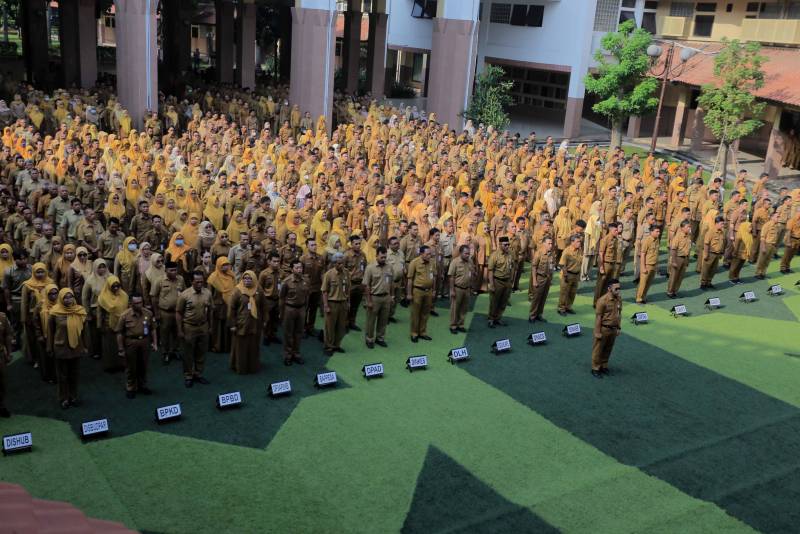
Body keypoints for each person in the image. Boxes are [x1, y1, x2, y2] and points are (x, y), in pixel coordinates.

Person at [47, 288, 88, 408]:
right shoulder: (55, 312)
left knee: (74, 374)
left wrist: (85, 346)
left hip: (76, 348)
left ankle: (73, 396)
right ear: (61, 298)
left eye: (71, 297)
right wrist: (49, 348)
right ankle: (63, 398)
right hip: (61, 348)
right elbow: (50, 332)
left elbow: (84, 332)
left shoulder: (79, 311)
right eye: (65, 297)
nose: (68, 299)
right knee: (62, 375)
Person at [115, 294, 157, 399]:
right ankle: (131, 387)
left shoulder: (148, 313)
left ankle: (143, 385)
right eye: (136, 303)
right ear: (131, 304)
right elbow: (119, 333)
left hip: (145, 342)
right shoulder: (125, 315)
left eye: (140, 302)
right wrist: (121, 348)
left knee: (143, 365)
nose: (139, 305)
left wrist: (155, 343)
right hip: (131, 342)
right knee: (131, 366)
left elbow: (153, 329)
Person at [176, 271, 212, 387]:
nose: (200, 284)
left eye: (201, 281)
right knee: (188, 353)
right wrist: (180, 330)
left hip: (203, 326)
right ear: (191, 281)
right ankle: (188, 375)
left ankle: (198, 373)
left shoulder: (207, 293)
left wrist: (210, 326)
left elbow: (210, 310)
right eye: (197, 282)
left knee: (201, 351)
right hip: (189, 327)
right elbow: (178, 313)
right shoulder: (185, 295)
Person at [228, 270, 263, 374]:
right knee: (241, 346)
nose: (247, 281)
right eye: (245, 278)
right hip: (241, 324)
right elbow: (231, 309)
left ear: (254, 279)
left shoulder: (258, 289)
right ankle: (240, 367)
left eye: (250, 278)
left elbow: (264, 306)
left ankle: (252, 366)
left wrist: (265, 320)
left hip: (255, 324)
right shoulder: (237, 291)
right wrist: (232, 324)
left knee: (253, 345)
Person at [150, 261, 186, 364]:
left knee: (177, 332)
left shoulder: (180, 279)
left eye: (175, 270)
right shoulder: (159, 280)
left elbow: (185, 293)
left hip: (178, 312)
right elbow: (154, 297)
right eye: (171, 270)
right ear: (166, 270)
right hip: (165, 312)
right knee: (164, 334)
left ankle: (175, 350)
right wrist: (156, 313)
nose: (174, 272)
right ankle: (165, 353)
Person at [97, 275, 128, 373]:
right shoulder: (103, 297)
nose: (116, 288)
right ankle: (110, 366)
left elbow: (127, 310)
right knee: (109, 347)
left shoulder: (124, 295)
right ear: (108, 286)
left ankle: (122, 365)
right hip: (108, 325)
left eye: (117, 286)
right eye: (113, 286)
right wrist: (99, 325)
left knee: (121, 345)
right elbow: (100, 313)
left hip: (122, 324)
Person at [363, 246, 393, 348]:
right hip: (374, 297)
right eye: (381, 257)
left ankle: (380, 338)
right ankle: (369, 339)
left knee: (383, 320)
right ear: (376, 256)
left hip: (386, 297)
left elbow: (391, 283)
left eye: (385, 257)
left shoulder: (389, 267)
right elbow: (367, 286)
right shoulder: (370, 268)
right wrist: (369, 301)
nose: (384, 259)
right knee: (371, 320)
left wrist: (391, 296)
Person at [279, 259, 308, 365]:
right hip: (289, 309)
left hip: (301, 309)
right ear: (292, 269)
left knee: (299, 333)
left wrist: (305, 308)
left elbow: (307, 295)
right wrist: (281, 313)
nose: (300, 270)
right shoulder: (286, 282)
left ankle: (296, 353)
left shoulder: (306, 280)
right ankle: (288, 355)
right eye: (297, 268)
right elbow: (282, 298)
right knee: (288, 333)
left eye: (301, 267)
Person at [321, 252, 350, 356]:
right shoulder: (328, 274)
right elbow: (324, 291)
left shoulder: (347, 273)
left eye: (342, 263)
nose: (341, 265)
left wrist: (348, 302)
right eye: (338, 263)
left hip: (343, 303)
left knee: (341, 326)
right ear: (334, 263)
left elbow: (348, 289)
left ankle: (337, 345)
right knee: (330, 327)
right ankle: (328, 346)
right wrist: (326, 306)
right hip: (332, 303)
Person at [592, 278, 621, 379]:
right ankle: (595, 368)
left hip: (613, 329)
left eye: (619, 288)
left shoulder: (618, 299)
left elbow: (619, 314)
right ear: (609, 289)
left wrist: (618, 327)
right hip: (604, 329)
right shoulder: (602, 301)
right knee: (598, 349)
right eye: (616, 289)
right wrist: (597, 332)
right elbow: (598, 317)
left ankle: (604, 366)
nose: (618, 291)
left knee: (608, 348)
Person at [406, 244, 435, 342]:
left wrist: (434, 290)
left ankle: (422, 332)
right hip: (417, 291)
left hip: (428, 291)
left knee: (425, 313)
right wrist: (409, 294)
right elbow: (410, 279)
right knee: (415, 313)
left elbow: (433, 276)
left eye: (430, 254)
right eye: (427, 254)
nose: (429, 256)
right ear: (421, 254)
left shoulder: (432, 262)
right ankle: (414, 333)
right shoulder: (414, 263)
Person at [207, 257, 235, 353]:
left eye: (227, 264)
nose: (226, 267)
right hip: (218, 306)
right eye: (223, 265)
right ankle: (217, 346)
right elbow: (209, 294)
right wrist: (212, 306)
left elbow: (234, 289)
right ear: (218, 265)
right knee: (218, 327)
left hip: (229, 305)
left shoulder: (231, 275)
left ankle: (227, 346)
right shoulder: (213, 278)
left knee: (227, 325)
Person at [487, 236, 514, 328]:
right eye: (505, 245)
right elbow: (490, 270)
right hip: (497, 280)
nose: (507, 246)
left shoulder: (510, 254)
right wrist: (491, 284)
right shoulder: (494, 255)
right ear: (500, 245)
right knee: (494, 301)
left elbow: (512, 267)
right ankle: (491, 319)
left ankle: (498, 318)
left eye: (508, 244)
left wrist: (511, 280)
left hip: (507, 281)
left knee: (504, 301)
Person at [448, 244, 473, 334]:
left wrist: (471, 286)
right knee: (455, 308)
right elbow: (451, 277)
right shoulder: (455, 262)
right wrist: (452, 290)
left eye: (469, 253)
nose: (468, 255)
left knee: (464, 308)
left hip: (467, 288)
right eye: (466, 253)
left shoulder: (470, 261)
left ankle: (460, 325)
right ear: (461, 253)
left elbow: (472, 273)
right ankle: (453, 326)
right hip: (457, 288)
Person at [528, 236, 554, 323]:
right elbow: (534, 267)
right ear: (544, 244)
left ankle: (539, 314)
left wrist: (551, 278)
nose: (551, 245)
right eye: (549, 243)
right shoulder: (538, 253)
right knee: (536, 298)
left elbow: (551, 266)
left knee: (543, 298)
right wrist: (534, 280)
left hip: (547, 278)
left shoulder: (551, 254)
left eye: (551, 243)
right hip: (540, 278)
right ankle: (532, 315)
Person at [558, 234, 582, 316]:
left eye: (580, 241)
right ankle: (561, 308)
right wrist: (565, 275)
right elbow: (562, 264)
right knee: (564, 293)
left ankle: (568, 307)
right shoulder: (567, 251)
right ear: (572, 242)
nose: (579, 243)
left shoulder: (579, 250)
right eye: (578, 242)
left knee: (572, 293)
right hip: (568, 274)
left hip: (576, 274)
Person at [666, 220, 692, 298]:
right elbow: (673, 249)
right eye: (688, 227)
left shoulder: (688, 236)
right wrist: (673, 261)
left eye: (689, 226)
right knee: (674, 276)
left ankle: (675, 291)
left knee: (680, 276)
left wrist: (688, 260)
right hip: (678, 258)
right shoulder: (677, 237)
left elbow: (689, 248)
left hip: (685, 258)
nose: (689, 228)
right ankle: (670, 292)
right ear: (682, 228)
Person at [636, 225, 661, 304]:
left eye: (659, 231)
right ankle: (639, 298)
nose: (659, 233)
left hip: (653, 264)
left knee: (649, 282)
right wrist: (643, 267)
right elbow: (643, 254)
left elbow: (656, 253)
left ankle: (643, 296)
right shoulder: (647, 240)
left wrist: (657, 265)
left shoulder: (657, 240)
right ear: (651, 232)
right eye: (657, 231)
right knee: (643, 283)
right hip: (647, 265)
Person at [700, 216, 725, 289]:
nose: (723, 225)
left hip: (717, 254)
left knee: (713, 269)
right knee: (706, 269)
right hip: (710, 253)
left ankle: (709, 282)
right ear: (716, 223)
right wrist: (706, 254)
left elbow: (722, 243)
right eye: (721, 224)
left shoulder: (722, 232)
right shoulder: (710, 232)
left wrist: (721, 253)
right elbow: (706, 244)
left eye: (723, 224)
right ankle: (703, 283)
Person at [0, 309, 12, 417]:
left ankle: (1, 405)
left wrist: (9, 352)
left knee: (2, 382)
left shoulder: (2, 317)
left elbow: (7, 335)